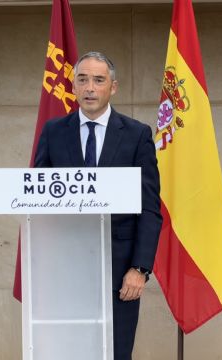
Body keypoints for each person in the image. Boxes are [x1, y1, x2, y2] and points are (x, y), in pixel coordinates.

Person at [34, 51, 163, 360]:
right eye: (82, 80)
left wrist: (140, 268)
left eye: (98, 80)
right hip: (66, 269)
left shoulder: (136, 135)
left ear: (113, 87)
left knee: (116, 352)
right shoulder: (53, 132)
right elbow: (37, 199)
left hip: (121, 271)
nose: (90, 87)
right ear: (74, 87)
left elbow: (149, 208)